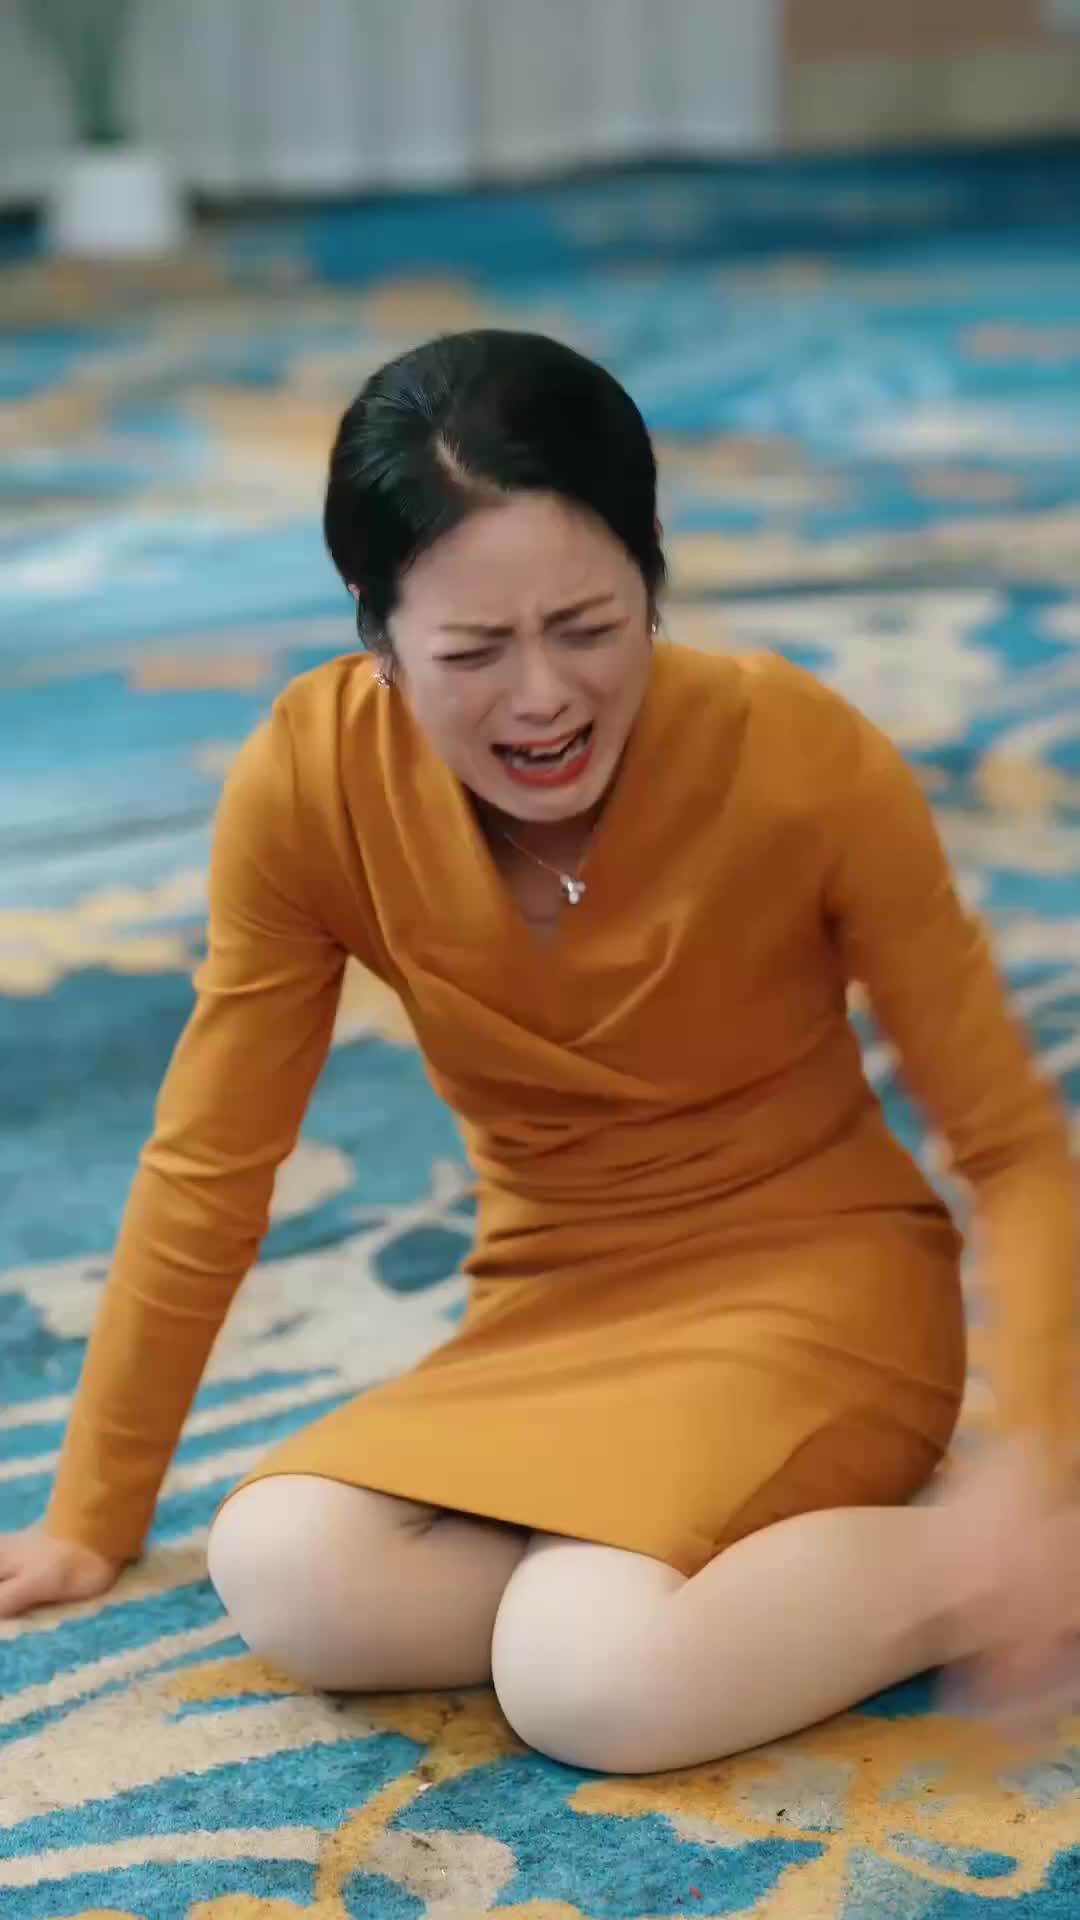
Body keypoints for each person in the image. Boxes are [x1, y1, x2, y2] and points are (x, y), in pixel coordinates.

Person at [2, 329, 1076, 1776]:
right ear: (378, 637)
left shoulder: (798, 753)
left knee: (593, 1679)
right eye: (472, 652)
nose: (543, 698)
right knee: (289, 1566)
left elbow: (1010, 1147)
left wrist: (1038, 1456)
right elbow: (214, 1157)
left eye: (589, 625)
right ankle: (715, 1571)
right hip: (556, 1300)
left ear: (653, 581)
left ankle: (1011, 1550)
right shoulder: (312, 782)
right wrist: (93, 1510)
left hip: (817, 1289)